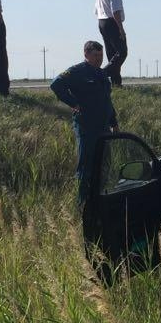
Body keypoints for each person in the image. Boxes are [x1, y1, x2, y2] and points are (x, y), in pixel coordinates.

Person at [51, 40, 118, 207]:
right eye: (95, 55)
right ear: (86, 54)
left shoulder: (101, 74)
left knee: (104, 166)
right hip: (87, 128)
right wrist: (73, 103)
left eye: (101, 56)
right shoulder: (77, 71)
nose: (99, 59)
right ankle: (83, 205)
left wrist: (114, 123)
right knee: (86, 168)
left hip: (104, 129)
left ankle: (100, 200)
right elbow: (56, 85)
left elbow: (107, 102)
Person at [94, 0, 128, 87]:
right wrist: (121, 28)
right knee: (122, 52)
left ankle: (116, 83)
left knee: (112, 54)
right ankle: (102, 74)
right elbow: (116, 11)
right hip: (112, 22)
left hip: (101, 21)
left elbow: (96, 10)